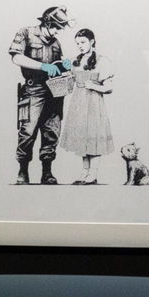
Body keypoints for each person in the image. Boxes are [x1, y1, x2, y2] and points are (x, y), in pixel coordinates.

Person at [7, 5, 72, 184]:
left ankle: (47, 172)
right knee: (28, 131)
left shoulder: (56, 43)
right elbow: (16, 57)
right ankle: (23, 171)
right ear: (48, 23)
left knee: (52, 131)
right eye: (57, 27)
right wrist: (43, 66)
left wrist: (63, 66)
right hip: (33, 90)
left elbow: (56, 66)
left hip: (54, 90)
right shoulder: (26, 33)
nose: (58, 32)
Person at [59, 28, 114, 184]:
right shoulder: (75, 61)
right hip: (78, 103)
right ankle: (84, 173)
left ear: (92, 41)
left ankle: (93, 174)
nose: (80, 46)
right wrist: (65, 74)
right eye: (78, 43)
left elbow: (109, 88)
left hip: (94, 103)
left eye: (83, 42)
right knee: (83, 137)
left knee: (93, 136)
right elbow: (69, 81)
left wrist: (94, 86)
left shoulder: (102, 61)